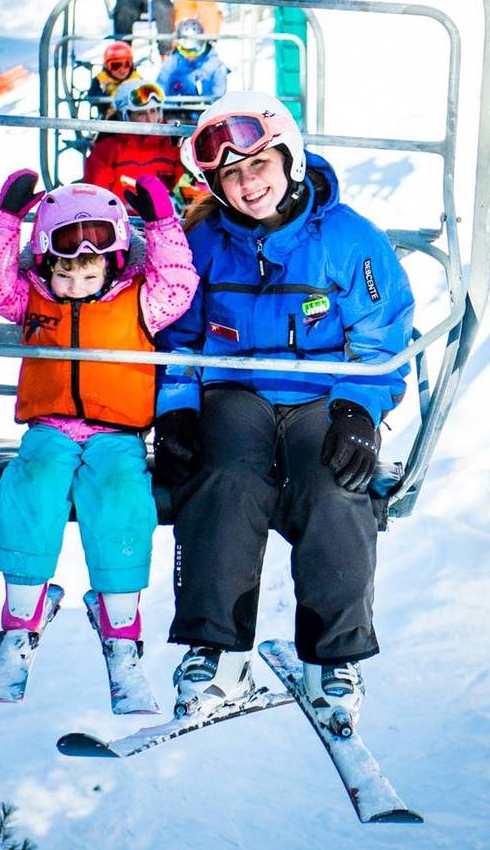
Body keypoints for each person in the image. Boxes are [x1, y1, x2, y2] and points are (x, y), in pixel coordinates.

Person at [153, 92, 416, 736]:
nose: (248, 185)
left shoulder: (347, 238)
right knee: (222, 478)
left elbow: (384, 333)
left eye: (258, 165)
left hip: (323, 394)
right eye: (231, 175)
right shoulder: (205, 242)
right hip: (235, 393)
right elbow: (178, 335)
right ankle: (215, 653)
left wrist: (361, 408)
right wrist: (179, 408)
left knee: (334, 487)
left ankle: (334, 658)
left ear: (289, 157)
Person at [0, 169, 198, 708]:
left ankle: (121, 635)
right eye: (64, 273)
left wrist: (163, 222)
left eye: (88, 273)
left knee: (122, 494)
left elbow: (178, 285)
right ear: (46, 261)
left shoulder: (140, 300)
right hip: (50, 427)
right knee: (33, 479)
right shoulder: (30, 298)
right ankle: (20, 624)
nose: (74, 285)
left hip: (117, 432)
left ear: (114, 260)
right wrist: (7, 220)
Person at [82, 81, 189, 197]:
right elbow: (98, 196)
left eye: (153, 111)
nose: (150, 119)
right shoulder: (107, 150)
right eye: (141, 114)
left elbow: (186, 190)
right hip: (122, 214)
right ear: (126, 116)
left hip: (166, 214)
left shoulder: (174, 145)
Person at [157, 18, 229, 106]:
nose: (191, 56)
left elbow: (219, 98)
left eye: (195, 51)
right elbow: (160, 89)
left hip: (204, 113)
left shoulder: (216, 66)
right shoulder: (172, 62)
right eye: (186, 51)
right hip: (174, 112)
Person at [86, 40, 141, 118]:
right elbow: (92, 96)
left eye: (126, 64)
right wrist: (104, 98)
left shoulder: (136, 78)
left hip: (132, 117)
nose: (121, 70)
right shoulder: (101, 79)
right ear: (106, 66)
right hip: (109, 117)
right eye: (115, 66)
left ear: (131, 64)